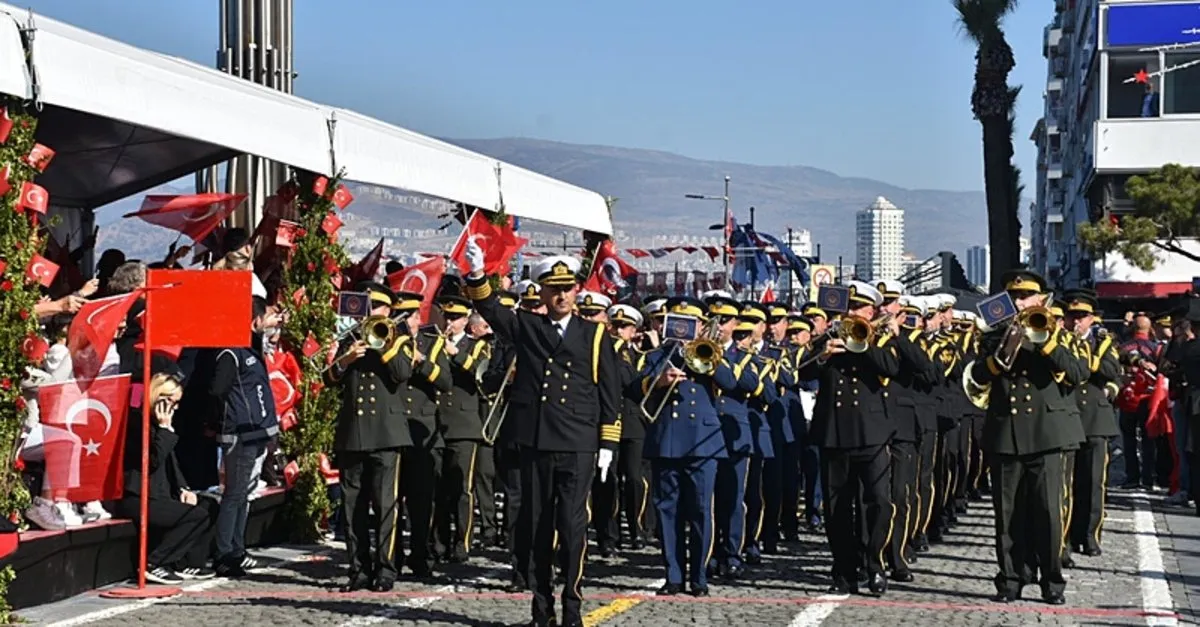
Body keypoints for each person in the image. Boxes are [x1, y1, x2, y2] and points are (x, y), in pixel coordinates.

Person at [463, 245, 620, 627]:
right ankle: (541, 608)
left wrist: (607, 443)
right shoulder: (529, 326)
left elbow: (609, 391)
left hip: (578, 444)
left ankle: (572, 607)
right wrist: (477, 273)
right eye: (554, 289)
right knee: (536, 527)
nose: (562, 295)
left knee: (571, 526)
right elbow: (491, 311)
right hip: (538, 443)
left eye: (567, 288)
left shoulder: (594, 335)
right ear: (544, 293)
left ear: (577, 291)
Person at [967, 269, 1087, 605]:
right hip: (1006, 432)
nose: (1020, 302)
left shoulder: (1057, 333)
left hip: (1047, 434)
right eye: (1015, 297)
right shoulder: (994, 332)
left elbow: (1077, 372)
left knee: (1049, 512)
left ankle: (1052, 581)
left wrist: (1044, 341)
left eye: (1026, 297)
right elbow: (977, 375)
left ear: (1041, 299)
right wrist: (1003, 349)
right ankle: (1010, 579)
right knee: (1008, 514)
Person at [801, 280, 899, 596]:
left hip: (871, 432)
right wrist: (824, 355)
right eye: (850, 308)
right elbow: (801, 373)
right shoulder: (826, 339)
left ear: (873, 312)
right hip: (835, 432)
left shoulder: (881, 337)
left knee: (878, 502)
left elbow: (892, 368)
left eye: (861, 309)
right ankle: (844, 568)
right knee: (837, 506)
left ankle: (874, 564)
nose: (854, 314)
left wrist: (865, 343)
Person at [637, 296, 737, 596]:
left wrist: (707, 355)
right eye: (679, 324)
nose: (684, 330)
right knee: (668, 510)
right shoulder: (658, 355)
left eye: (690, 325)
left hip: (702, 443)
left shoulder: (711, 353)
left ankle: (700, 576)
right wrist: (662, 380)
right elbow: (635, 387)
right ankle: (674, 575)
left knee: (700, 510)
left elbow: (730, 383)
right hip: (667, 441)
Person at [325, 283, 418, 592]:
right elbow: (329, 378)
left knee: (385, 506)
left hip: (386, 435)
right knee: (353, 508)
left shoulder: (400, 337)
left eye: (377, 308)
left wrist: (382, 344)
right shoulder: (350, 338)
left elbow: (403, 373)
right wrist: (346, 359)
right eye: (368, 308)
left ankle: (386, 568)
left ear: (388, 311)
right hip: (353, 434)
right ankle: (359, 569)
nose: (371, 313)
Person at [114, 371, 217, 584]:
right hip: (139, 496)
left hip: (161, 493)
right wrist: (164, 429)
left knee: (209, 507)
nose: (175, 408)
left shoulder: (162, 425)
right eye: (172, 402)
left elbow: (172, 462)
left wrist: (183, 488)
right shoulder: (136, 423)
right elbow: (151, 461)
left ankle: (188, 563)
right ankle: (154, 563)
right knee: (194, 516)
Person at [209, 296, 280, 578]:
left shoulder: (252, 349)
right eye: (267, 317)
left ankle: (237, 548)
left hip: (258, 432)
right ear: (255, 320)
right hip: (239, 433)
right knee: (234, 494)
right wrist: (222, 423)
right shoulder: (231, 351)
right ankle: (225, 553)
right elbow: (218, 390)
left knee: (245, 495)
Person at [433, 294, 490, 563]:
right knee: (439, 489)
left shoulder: (476, 345)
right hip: (436, 424)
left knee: (462, 489)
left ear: (466, 320)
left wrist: (455, 354)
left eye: (455, 318)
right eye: (447, 317)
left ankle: (462, 541)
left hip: (464, 425)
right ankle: (439, 540)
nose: (450, 322)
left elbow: (480, 373)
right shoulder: (434, 343)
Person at [1064, 289, 1121, 556]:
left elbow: (1112, 371)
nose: (1076, 321)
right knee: (1066, 484)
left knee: (1093, 482)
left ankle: (1089, 535)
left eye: (1082, 316)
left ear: (1092, 319)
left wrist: (1089, 355)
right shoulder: (1059, 340)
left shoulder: (1103, 341)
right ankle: (1064, 535)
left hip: (1096, 420)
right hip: (1066, 415)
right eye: (1072, 315)